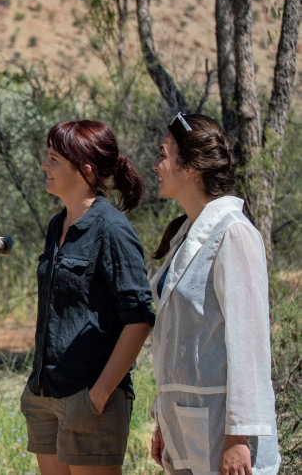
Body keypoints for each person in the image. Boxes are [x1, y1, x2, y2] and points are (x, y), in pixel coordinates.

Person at [148, 113, 280, 475]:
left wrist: (238, 437)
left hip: (225, 434)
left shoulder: (233, 233)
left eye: (163, 155)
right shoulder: (186, 234)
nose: (156, 165)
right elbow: (179, 341)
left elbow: (249, 343)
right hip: (186, 426)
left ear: (190, 168)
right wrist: (163, 418)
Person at [21, 120, 155, 474]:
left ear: (86, 169)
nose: (44, 165)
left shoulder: (112, 228)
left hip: (88, 400)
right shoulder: (57, 225)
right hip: (44, 397)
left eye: (54, 159)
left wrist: (98, 396)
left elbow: (140, 319)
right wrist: (35, 388)